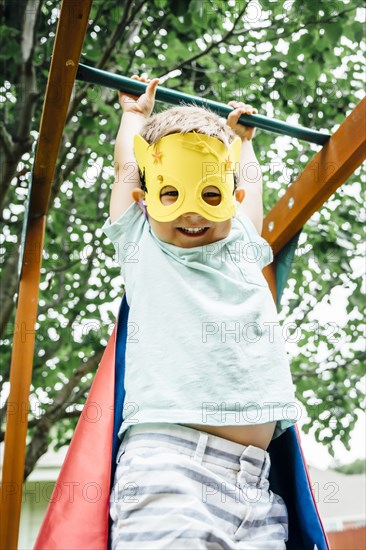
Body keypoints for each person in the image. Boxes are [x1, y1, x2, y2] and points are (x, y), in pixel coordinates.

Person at [102, 76, 299, 549]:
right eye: (171, 195)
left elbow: (249, 194)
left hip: (256, 481)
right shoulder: (143, 246)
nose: (193, 214)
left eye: (210, 196)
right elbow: (127, 172)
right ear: (147, 200)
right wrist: (134, 118)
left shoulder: (241, 246)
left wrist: (244, 144)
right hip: (170, 462)